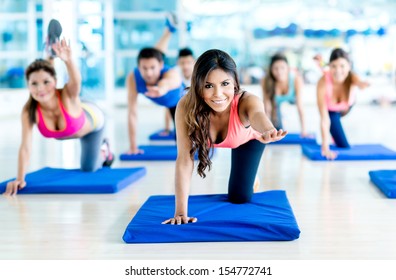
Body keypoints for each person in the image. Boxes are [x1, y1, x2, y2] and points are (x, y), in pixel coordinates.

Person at [162, 49, 287, 225]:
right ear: (198, 85)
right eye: (208, 86)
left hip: (249, 141)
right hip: (232, 135)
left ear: (235, 82)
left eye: (225, 84)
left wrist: (268, 130)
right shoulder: (186, 106)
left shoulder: (247, 100)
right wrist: (180, 212)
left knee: (239, 197)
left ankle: (251, 177)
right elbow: (184, 159)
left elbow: (258, 115)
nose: (218, 94)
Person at [3, 38, 113, 196]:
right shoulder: (29, 110)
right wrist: (20, 178)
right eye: (34, 84)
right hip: (69, 122)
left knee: (89, 169)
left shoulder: (67, 94)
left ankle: (105, 151)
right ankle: (50, 55)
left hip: (92, 120)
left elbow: (76, 81)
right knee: (46, 77)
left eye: (46, 82)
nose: (40, 88)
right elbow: (26, 147)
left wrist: (68, 61)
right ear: (28, 85)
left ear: (55, 81)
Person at [126, 15, 184, 153]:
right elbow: (132, 113)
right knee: (155, 55)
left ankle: (169, 30)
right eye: (144, 68)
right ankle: (169, 30)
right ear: (138, 67)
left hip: (181, 104)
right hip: (166, 102)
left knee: (181, 144)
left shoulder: (171, 74)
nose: (149, 73)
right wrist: (133, 146)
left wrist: (161, 89)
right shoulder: (133, 77)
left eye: (153, 68)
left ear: (161, 66)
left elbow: (168, 83)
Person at [317, 48, 370, 160]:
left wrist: (364, 84)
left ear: (349, 66)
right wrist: (325, 147)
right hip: (332, 112)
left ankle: (320, 62)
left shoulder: (352, 77)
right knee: (343, 145)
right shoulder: (322, 82)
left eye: (342, 66)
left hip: (347, 107)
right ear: (329, 66)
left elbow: (360, 84)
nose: (338, 70)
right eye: (334, 66)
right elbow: (324, 119)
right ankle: (320, 62)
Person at [261, 53, 307, 136]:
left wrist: (303, 130)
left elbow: (300, 106)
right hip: (275, 104)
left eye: (282, 68)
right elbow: (267, 108)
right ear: (271, 69)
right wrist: (265, 131)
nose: (279, 72)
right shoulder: (266, 80)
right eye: (276, 68)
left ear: (288, 68)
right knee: (278, 131)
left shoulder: (296, 79)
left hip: (293, 99)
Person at [163, 47, 196, 133]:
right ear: (177, 63)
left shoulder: (199, 74)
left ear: (194, 62)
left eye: (189, 62)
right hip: (178, 106)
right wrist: (167, 128)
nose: (185, 66)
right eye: (182, 63)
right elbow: (168, 103)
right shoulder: (173, 73)